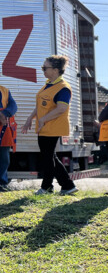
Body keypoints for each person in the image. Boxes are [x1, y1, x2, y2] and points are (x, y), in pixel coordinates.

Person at [21, 55, 78, 195]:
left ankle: (47, 187)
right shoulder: (48, 85)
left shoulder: (63, 88)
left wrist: (42, 120)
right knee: (50, 157)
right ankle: (68, 185)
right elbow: (40, 106)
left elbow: (61, 108)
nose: (43, 70)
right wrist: (30, 118)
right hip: (45, 127)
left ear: (56, 70)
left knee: (47, 158)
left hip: (52, 127)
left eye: (45, 67)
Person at [0, 85, 18, 192]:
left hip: (4, 129)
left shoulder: (5, 90)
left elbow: (13, 106)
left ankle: (2, 183)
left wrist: (4, 114)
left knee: (4, 158)